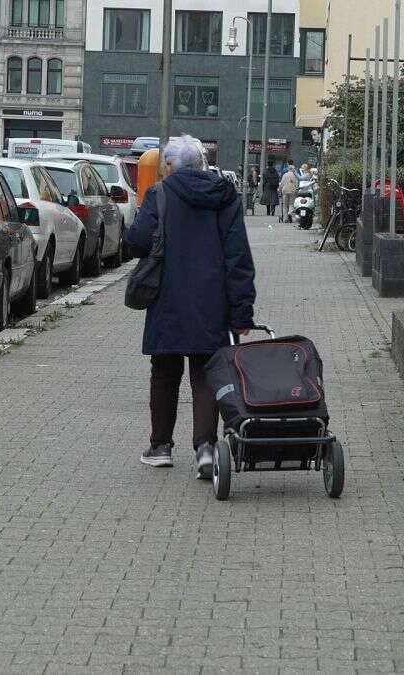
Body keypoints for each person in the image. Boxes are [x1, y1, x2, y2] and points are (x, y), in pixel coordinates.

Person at [123, 135, 257, 477]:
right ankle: (206, 450)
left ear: (170, 166)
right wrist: (242, 311)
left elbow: (136, 243)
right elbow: (238, 257)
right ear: (202, 165)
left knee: (165, 373)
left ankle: (161, 447)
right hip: (214, 303)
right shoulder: (225, 197)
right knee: (205, 374)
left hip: (167, 299)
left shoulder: (160, 195)